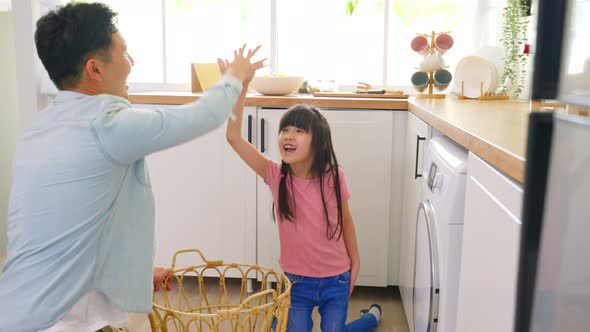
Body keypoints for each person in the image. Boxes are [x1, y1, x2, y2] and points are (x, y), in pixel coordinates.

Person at [0, 2, 263, 331]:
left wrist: (132, 273)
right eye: (124, 53)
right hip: (61, 321)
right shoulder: (106, 124)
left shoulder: (36, 132)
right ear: (95, 70)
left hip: (14, 310)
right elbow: (203, 115)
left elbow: (68, 232)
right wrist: (235, 75)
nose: (132, 62)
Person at [224, 64, 381, 330]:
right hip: (297, 282)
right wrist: (240, 88)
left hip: (336, 280)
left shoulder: (334, 176)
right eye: (285, 130)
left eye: (299, 131)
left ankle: (371, 318)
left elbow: (346, 220)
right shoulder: (275, 175)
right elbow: (233, 137)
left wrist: (356, 263)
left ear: (318, 142)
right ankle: (366, 318)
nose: (288, 135)